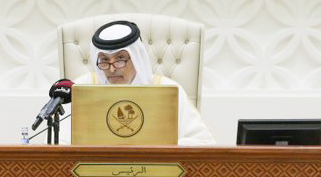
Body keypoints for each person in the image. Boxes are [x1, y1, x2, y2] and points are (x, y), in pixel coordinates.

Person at [73, 20, 215, 145]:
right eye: (104, 60)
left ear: (137, 57)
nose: (112, 69)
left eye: (120, 58)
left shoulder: (167, 90)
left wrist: (158, 148)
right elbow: (63, 143)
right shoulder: (82, 87)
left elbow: (203, 142)